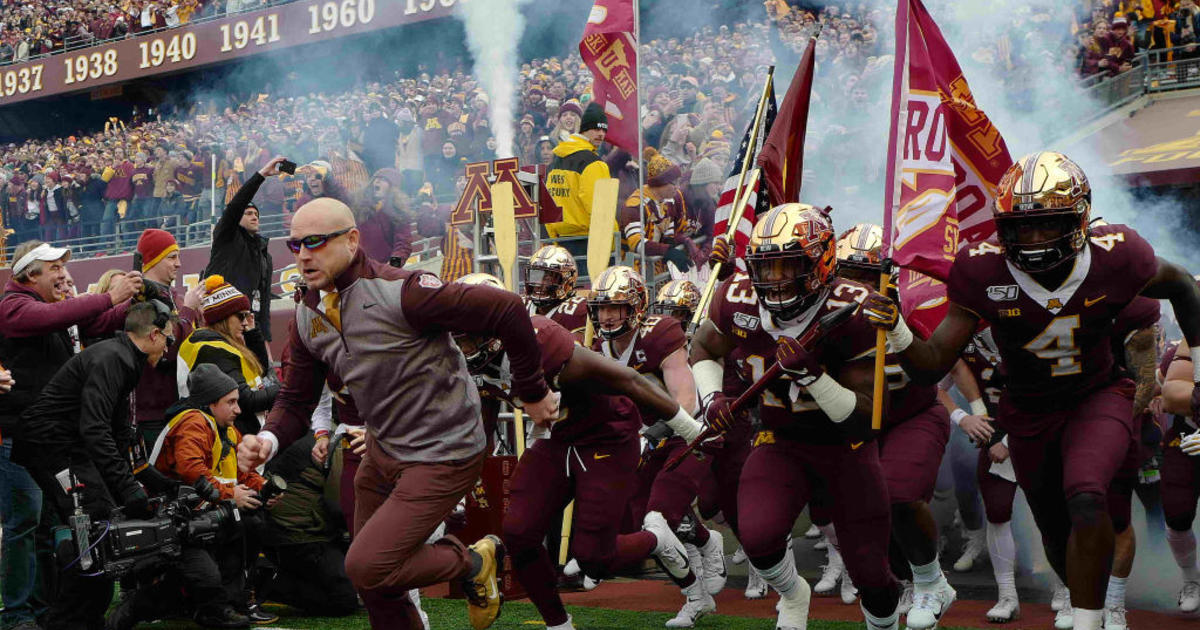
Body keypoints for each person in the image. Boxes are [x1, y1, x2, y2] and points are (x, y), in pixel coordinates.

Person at [864, 152, 1200, 630]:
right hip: (1028, 410)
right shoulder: (982, 269)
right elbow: (931, 365)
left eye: (1048, 225)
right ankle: (1091, 601)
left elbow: (1185, 287)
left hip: (1096, 395)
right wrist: (897, 328)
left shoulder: (1118, 251)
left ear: (1080, 218)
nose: (1035, 239)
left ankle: (1088, 621)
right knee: (1055, 532)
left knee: (1086, 494)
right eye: (1022, 227)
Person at [237, 197, 559, 630]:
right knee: (374, 584)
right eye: (296, 244)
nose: (304, 254)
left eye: (315, 241)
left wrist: (533, 391)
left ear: (352, 240)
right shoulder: (307, 311)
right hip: (384, 448)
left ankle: (472, 562)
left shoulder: (403, 290)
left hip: (444, 450)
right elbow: (296, 398)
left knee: (366, 567)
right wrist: (268, 441)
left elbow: (507, 309)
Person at [452, 273, 704, 630]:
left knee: (592, 558)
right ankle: (559, 624)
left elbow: (626, 379)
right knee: (519, 532)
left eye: (467, 336)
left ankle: (656, 539)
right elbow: (485, 419)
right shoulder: (471, 358)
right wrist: (465, 478)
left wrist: (689, 429)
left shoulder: (539, 339)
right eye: (457, 337)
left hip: (607, 437)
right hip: (556, 439)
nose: (462, 346)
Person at [690, 203, 898, 630]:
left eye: (788, 267)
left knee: (872, 575)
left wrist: (814, 376)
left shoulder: (856, 308)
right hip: (781, 441)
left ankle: (884, 623)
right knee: (758, 537)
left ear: (821, 261)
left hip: (848, 449)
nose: (774, 280)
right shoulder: (737, 295)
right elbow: (703, 348)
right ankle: (793, 593)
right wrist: (712, 398)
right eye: (766, 268)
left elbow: (864, 418)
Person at [0, 241, 140, 630]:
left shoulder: (47, 310)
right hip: (15, 437)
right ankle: (17, 614)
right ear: (30, 275)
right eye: (55, 268)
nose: (65, 275)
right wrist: (108, 295)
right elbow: (61, 315)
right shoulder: (12, 304)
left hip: (45, 440)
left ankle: (43, 608)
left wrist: (131, 302)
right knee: (23, 525)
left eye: (65, 266)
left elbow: (93, 322)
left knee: (45, 527)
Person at [12, 303, 171, 630]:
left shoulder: (124, 359)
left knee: (99, 525)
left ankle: (80, 616)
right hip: (52, 446)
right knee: (96, 529)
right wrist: (127, 487)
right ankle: (69, 620)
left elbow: (113, 435)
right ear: (153, 334)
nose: (169, 348)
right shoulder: (114, 358)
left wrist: (149, 483)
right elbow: (96, 429)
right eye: (168, 340)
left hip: (67, 447)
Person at [834, 223, 955, 629]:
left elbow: (931, 369)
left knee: (898, 494)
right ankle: (898, 584)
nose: (854, 286)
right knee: (864, 520)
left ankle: (930, 580)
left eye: (865, 275)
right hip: (860, 426)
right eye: (845, 274)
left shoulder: (907, 308)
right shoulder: (827, 315)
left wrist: (898, 327)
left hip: (913, 415)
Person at [586, 266, 721, 627]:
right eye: (601, 308)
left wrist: (653, 432)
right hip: (649, 438)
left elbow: (687, 401)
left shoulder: (660, 334)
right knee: (641, 519)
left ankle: (696, 598)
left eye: (616, 307)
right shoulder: (600, 347)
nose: (607, 316)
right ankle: (707, 544)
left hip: (689, 434)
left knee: (656, 521)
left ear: (637, 308)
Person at [179, 276, 278, 437]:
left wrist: (252, 334)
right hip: (232, 436)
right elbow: (247, 400)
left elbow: (259, 372)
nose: (245, 322)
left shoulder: (221, 342)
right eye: (241, 316)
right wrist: (287, 389)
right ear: (223, 318)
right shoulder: (214, 350)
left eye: (247, 315)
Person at [205, 156, 283, 346]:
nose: (254, 217)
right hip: (224, 323)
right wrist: (262, 175)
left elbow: (263, 298)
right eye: (248, 213)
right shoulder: (227, 236)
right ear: (237, 218)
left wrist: (265, 336)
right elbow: (235, 205)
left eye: (256, 214)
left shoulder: (265, 254)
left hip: (251, 327)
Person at [133, 228, 199, 446]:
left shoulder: (174, 298)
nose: (179, 263)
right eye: (171, 257)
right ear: (152, 260)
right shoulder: (140, 299)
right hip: (153, 414)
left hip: (177, 406)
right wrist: (189, 311)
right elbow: (167, 351)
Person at [621, 148, 703, 277]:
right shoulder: (635, 205)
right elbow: (636, 243)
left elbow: (668, 236)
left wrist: (679, 245)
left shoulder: (667, 201)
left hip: (656, 270)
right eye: (674, 183)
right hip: (633, 272)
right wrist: (668, 251)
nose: (677, 187)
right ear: (659, 183)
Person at [544, 102, 611, 251]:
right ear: (584, 130)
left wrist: (552, 239)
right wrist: (612, 243)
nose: (601, 134)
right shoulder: (594, 163)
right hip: (588, 241)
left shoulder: (556, 160)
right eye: (595, 129)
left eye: (604, 130)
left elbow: (549, 203)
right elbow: (600, 209)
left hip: (559, 240)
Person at [522, 244, 589, 340]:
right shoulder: (521, 306)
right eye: (535, 276)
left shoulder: (576, 311)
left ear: (566, 280)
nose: (538, 284)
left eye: (547, 278)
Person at [356, 168, 413, 265]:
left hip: (381, 271)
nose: (377, 181)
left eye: (384, 179)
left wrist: (392, 267)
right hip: (358, 267)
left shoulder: (399, 213)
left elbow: (403, 246)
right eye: (376, 178)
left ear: (393, 188)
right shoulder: (360, 207)